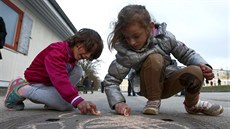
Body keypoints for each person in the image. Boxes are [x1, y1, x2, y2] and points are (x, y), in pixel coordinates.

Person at [103, 5, 223, 116]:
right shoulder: (126, 53)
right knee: (154, 58)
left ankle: (192, 104)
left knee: (196, 71)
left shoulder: (165, 38)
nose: (132, 42)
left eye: (136, 36)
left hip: (168, 82)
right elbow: (111, 80)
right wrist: (117, 102)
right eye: (126, 37)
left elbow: (186, 53)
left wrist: (203, 65)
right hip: (146, 87)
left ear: (150, 27)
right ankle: (153, 101)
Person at [4, 28, 104, 115]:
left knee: (78, 70)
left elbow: (63, 79)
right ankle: (22, 89)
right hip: (37, 84)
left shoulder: (72, 58)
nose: (87, 56)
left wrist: (74, 98)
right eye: (88, 51)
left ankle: (51, 103)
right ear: (79, 42)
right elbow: (60, 78)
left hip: (49, 84)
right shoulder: (57, 51)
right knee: (66, 105)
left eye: (91, 56)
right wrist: (76, 99)